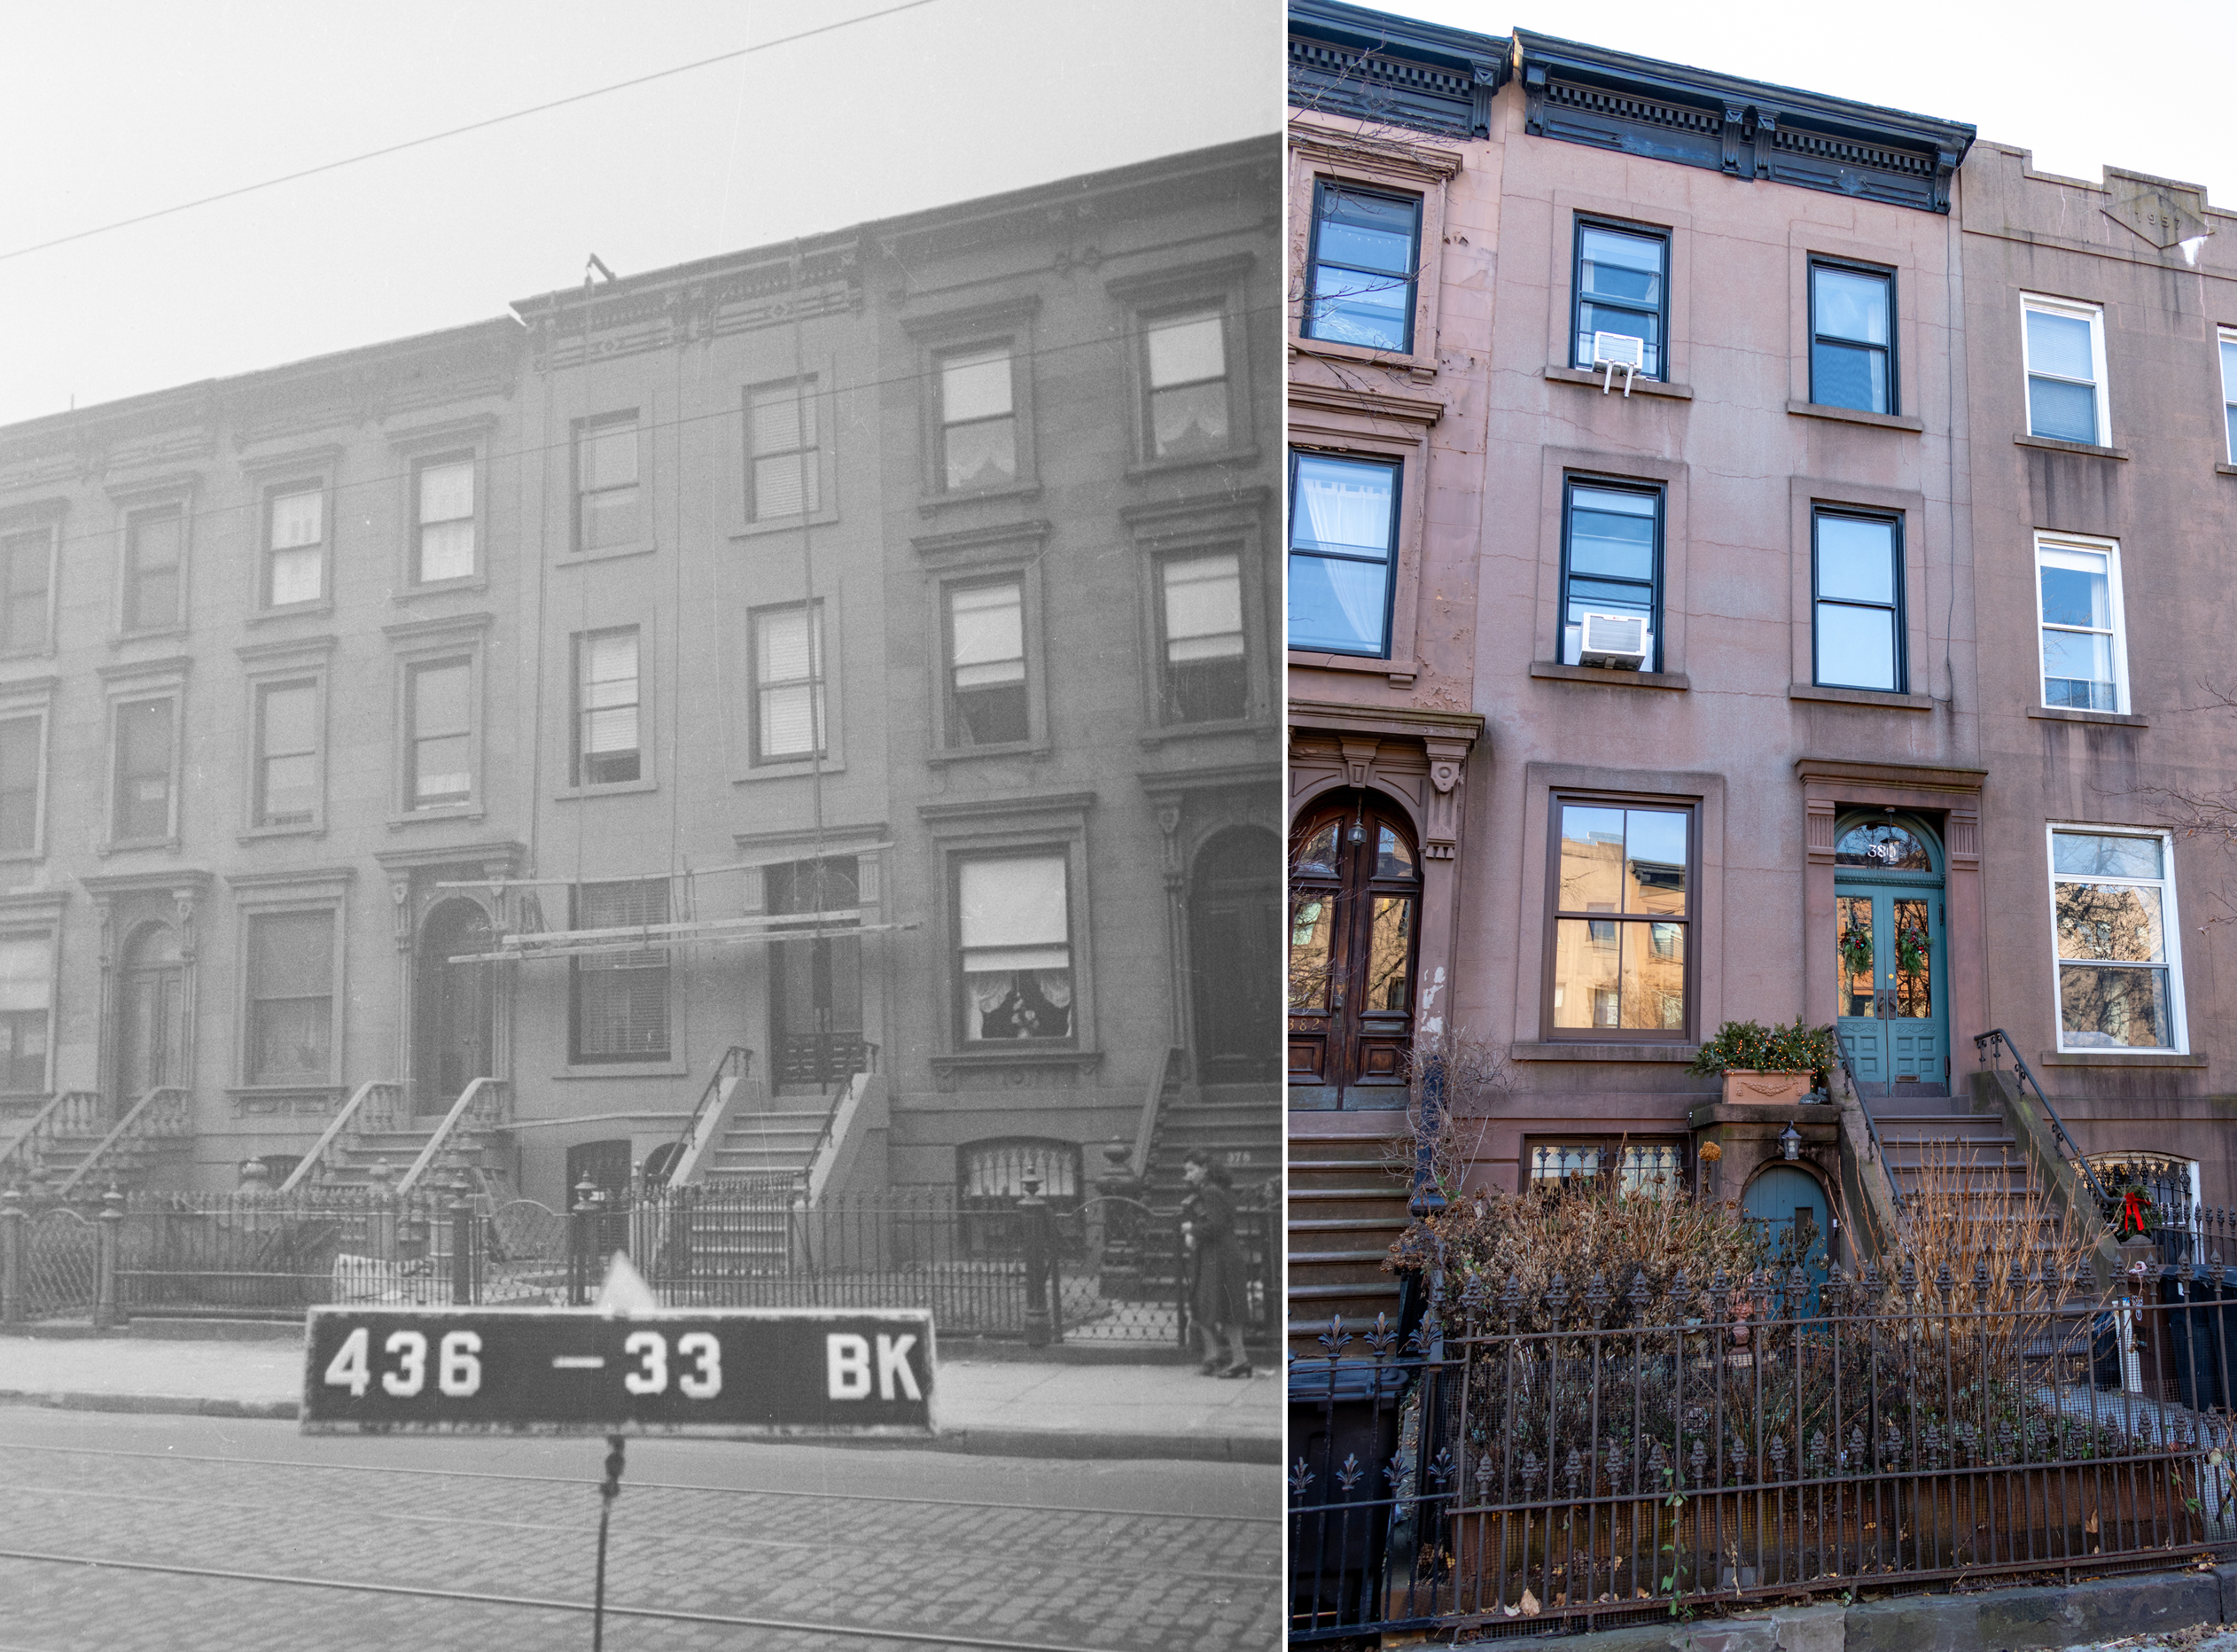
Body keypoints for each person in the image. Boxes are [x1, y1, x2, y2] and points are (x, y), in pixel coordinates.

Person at [1180, 1149, 1251, 1377]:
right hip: (1214, 1254)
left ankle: (1239, 1361)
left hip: (1222, 1256)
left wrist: (1191, 1229)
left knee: (1224, 1306)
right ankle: (1214, 1357)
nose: (1188, 1175)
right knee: (1205, 1304)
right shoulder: (1210, 1190)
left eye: (1192, 1170)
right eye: (1186, 1171)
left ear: (1204, 1169)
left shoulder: (1211, 1191)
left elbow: (1217, 1225)